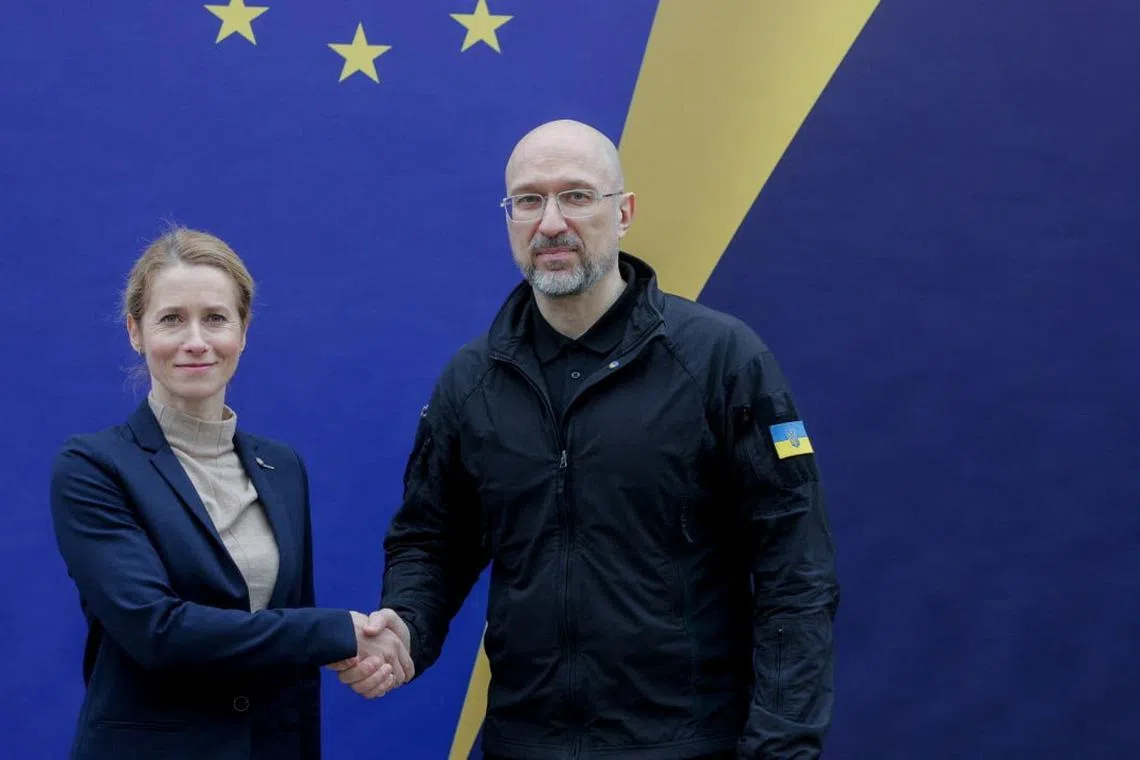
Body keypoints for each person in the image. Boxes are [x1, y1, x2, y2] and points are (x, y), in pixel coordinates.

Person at [337, 120, 841, 758]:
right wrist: (404, 628)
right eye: (529, 200)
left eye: (576, 196)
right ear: (510, 218)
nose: (550, 223)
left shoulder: (722, 360)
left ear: (623, 212)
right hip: (523, 742)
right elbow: (430, 540)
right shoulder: (473, 380)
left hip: (686, 746)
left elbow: (795, 571)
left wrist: (780, 747)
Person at [49, 228, 412, 760]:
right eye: (172, 319)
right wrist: (338, 633)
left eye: (215, 318)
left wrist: (356, 654)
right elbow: (159, 632)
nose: (196, 340)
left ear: (243, 332)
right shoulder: (93, 468)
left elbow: (284, 650)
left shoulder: (281, 468)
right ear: (135, 331)